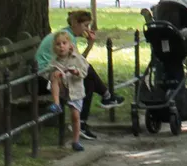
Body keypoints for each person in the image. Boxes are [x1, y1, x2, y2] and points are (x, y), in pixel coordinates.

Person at [36, 10, 123, 140]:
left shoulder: (67, 36)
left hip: (56, 74)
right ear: (75, 23)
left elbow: (79, 63)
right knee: (86, 75)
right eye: (85, 25)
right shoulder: (67, 38)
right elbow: (80, 63)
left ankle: (83, 122)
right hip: (46, 78)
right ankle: (106, 96)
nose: (87, 29)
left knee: (88, 81)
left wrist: (90, 44)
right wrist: (90, 45)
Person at [44, 30, 88, 151]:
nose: (61, 46)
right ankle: (56, 103)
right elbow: (46, 73)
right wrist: (55, 73)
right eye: (58, 44)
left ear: (70, 45)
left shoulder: (76, 58)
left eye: (64, 43)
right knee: (54, 75)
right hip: (63, 89)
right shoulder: (54, 61)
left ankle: (76, 141)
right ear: (55, 47)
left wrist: (76, 72)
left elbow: (84, 71)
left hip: (76, 91)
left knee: (75, 115)